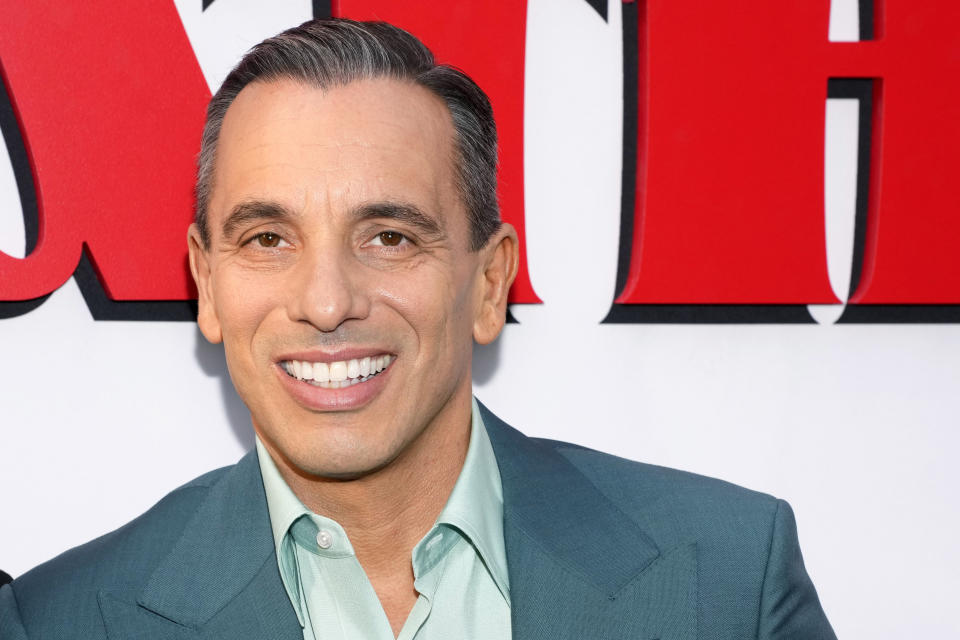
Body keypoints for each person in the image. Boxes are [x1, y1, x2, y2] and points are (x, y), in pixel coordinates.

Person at [0, 19, 836, 640]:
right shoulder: (61, 621)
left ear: (488, 280)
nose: (327, 303)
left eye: (389, 238)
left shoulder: (727, 582)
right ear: (208, 285)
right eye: (267, 240)